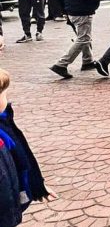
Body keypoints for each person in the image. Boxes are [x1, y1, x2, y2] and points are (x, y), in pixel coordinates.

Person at [0, 68, 55, 226]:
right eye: (2, 94)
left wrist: (35, 184)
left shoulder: (4, 123)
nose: (6, 100)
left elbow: (22, 156)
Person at [48, 0, 100, 79]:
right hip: (82, 11)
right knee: (83, 38)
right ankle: (61, 64)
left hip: (71, 10)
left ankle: (87, 60)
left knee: (84, 36)